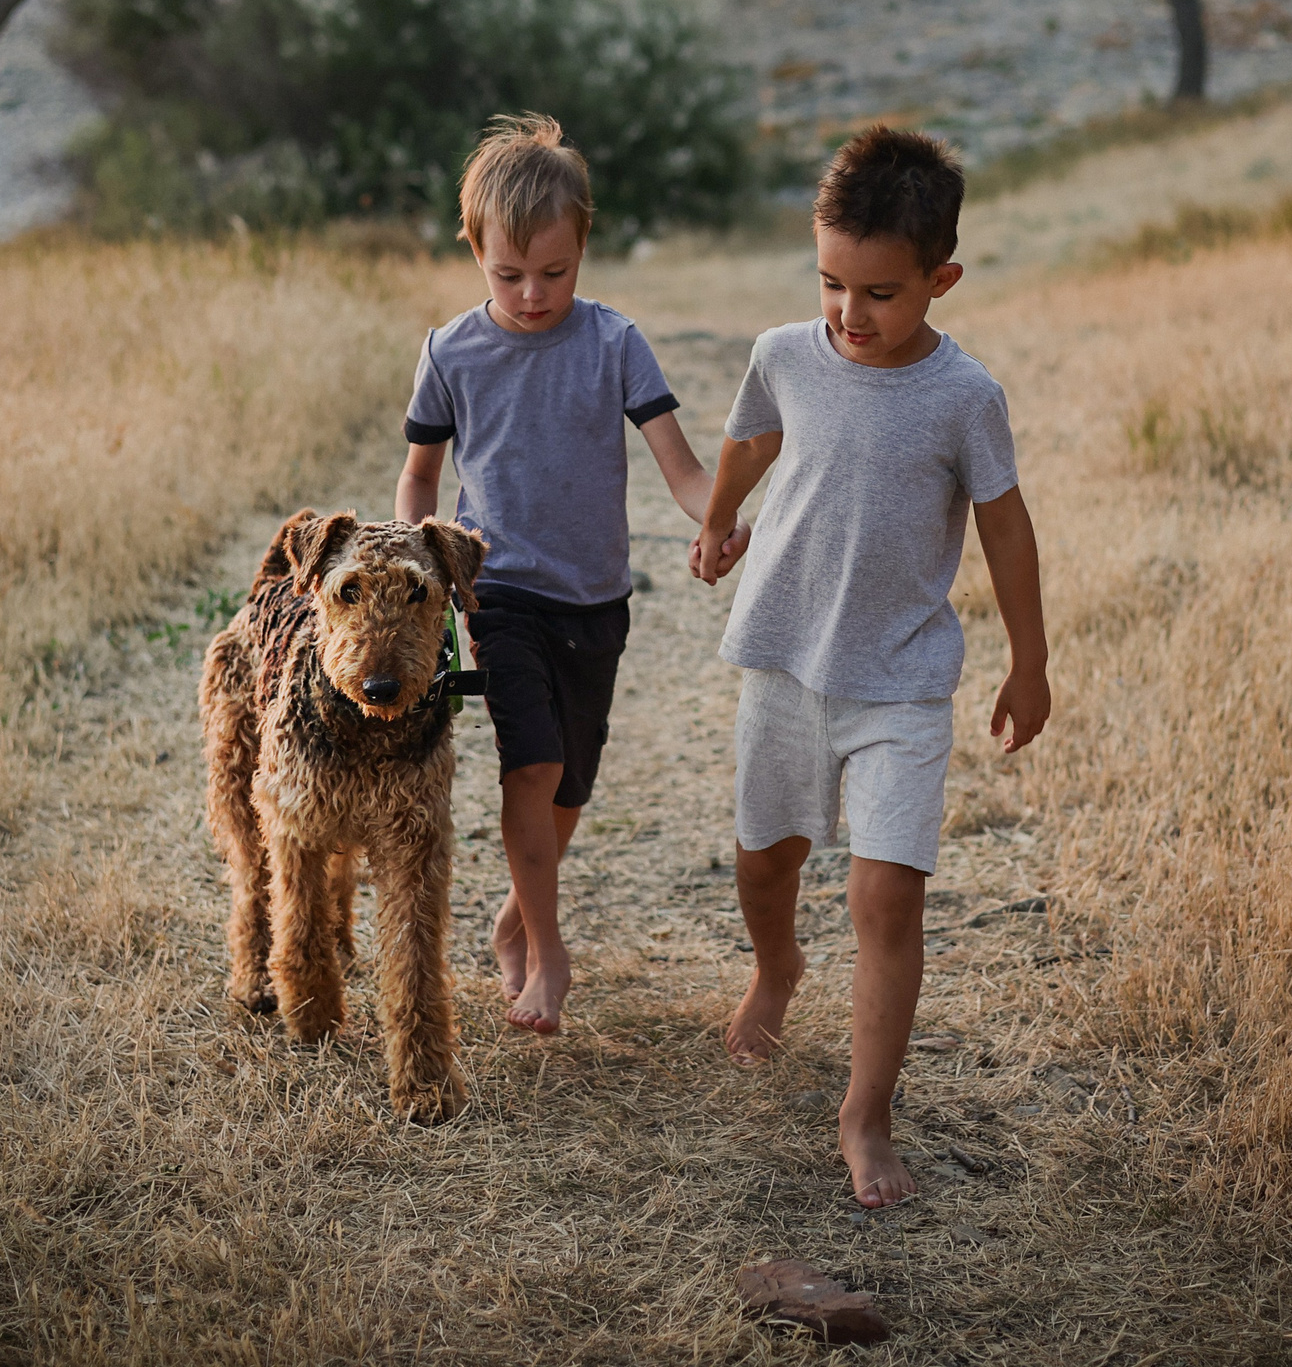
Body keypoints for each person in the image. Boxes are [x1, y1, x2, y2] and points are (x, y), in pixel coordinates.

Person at [693, 126, 1051, 1210]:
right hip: (784, 661)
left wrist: (1028, 662)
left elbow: (1006, 528)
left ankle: (865, 1113)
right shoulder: (787, 353)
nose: (851, 314)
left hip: (899, 679)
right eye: (832, 284)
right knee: (767, 865)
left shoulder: (963, 397)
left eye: (882, 293)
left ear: (941, 278)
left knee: (886, 898)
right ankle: (777, 968)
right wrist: (717, 522)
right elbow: (752, 439)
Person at [396, 114, 745, 1036]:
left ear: (584, 241)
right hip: (497, 588)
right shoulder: (451, 353)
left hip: (596, 598)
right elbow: (422, 476)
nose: (534, 292)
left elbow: (679, 464)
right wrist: (418, 573)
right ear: (474, 249)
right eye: (509, 275)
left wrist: (720, 520)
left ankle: (517, 920)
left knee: (569, 789)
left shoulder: (614, 344)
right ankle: (551, 955)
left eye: (555, 271)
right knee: (532, 762)